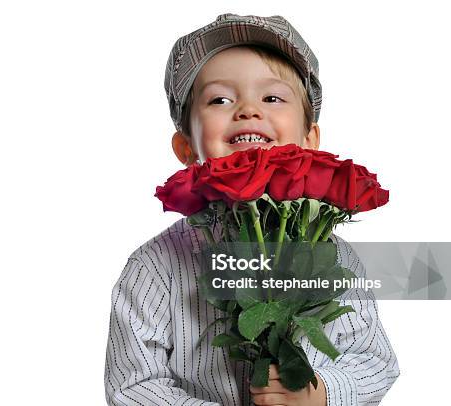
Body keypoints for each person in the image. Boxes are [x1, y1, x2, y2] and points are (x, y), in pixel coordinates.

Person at [104, 13, 399, 405]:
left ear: (310, 139)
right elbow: (132, 386)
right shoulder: (156, 266)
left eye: (272, 98)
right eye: (220, 99)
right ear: (187, 148)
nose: (247, 110)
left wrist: (323, 394)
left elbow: (374, 360)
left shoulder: (334, 258)